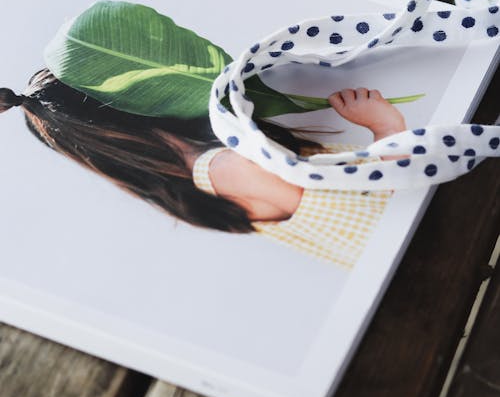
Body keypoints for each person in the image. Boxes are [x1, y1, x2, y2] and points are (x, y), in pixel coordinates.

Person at [0, 69, 406, 268]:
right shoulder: (230, 165)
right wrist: (385, 127)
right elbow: (378, 203)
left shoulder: (208, 175)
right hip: (417, 233)